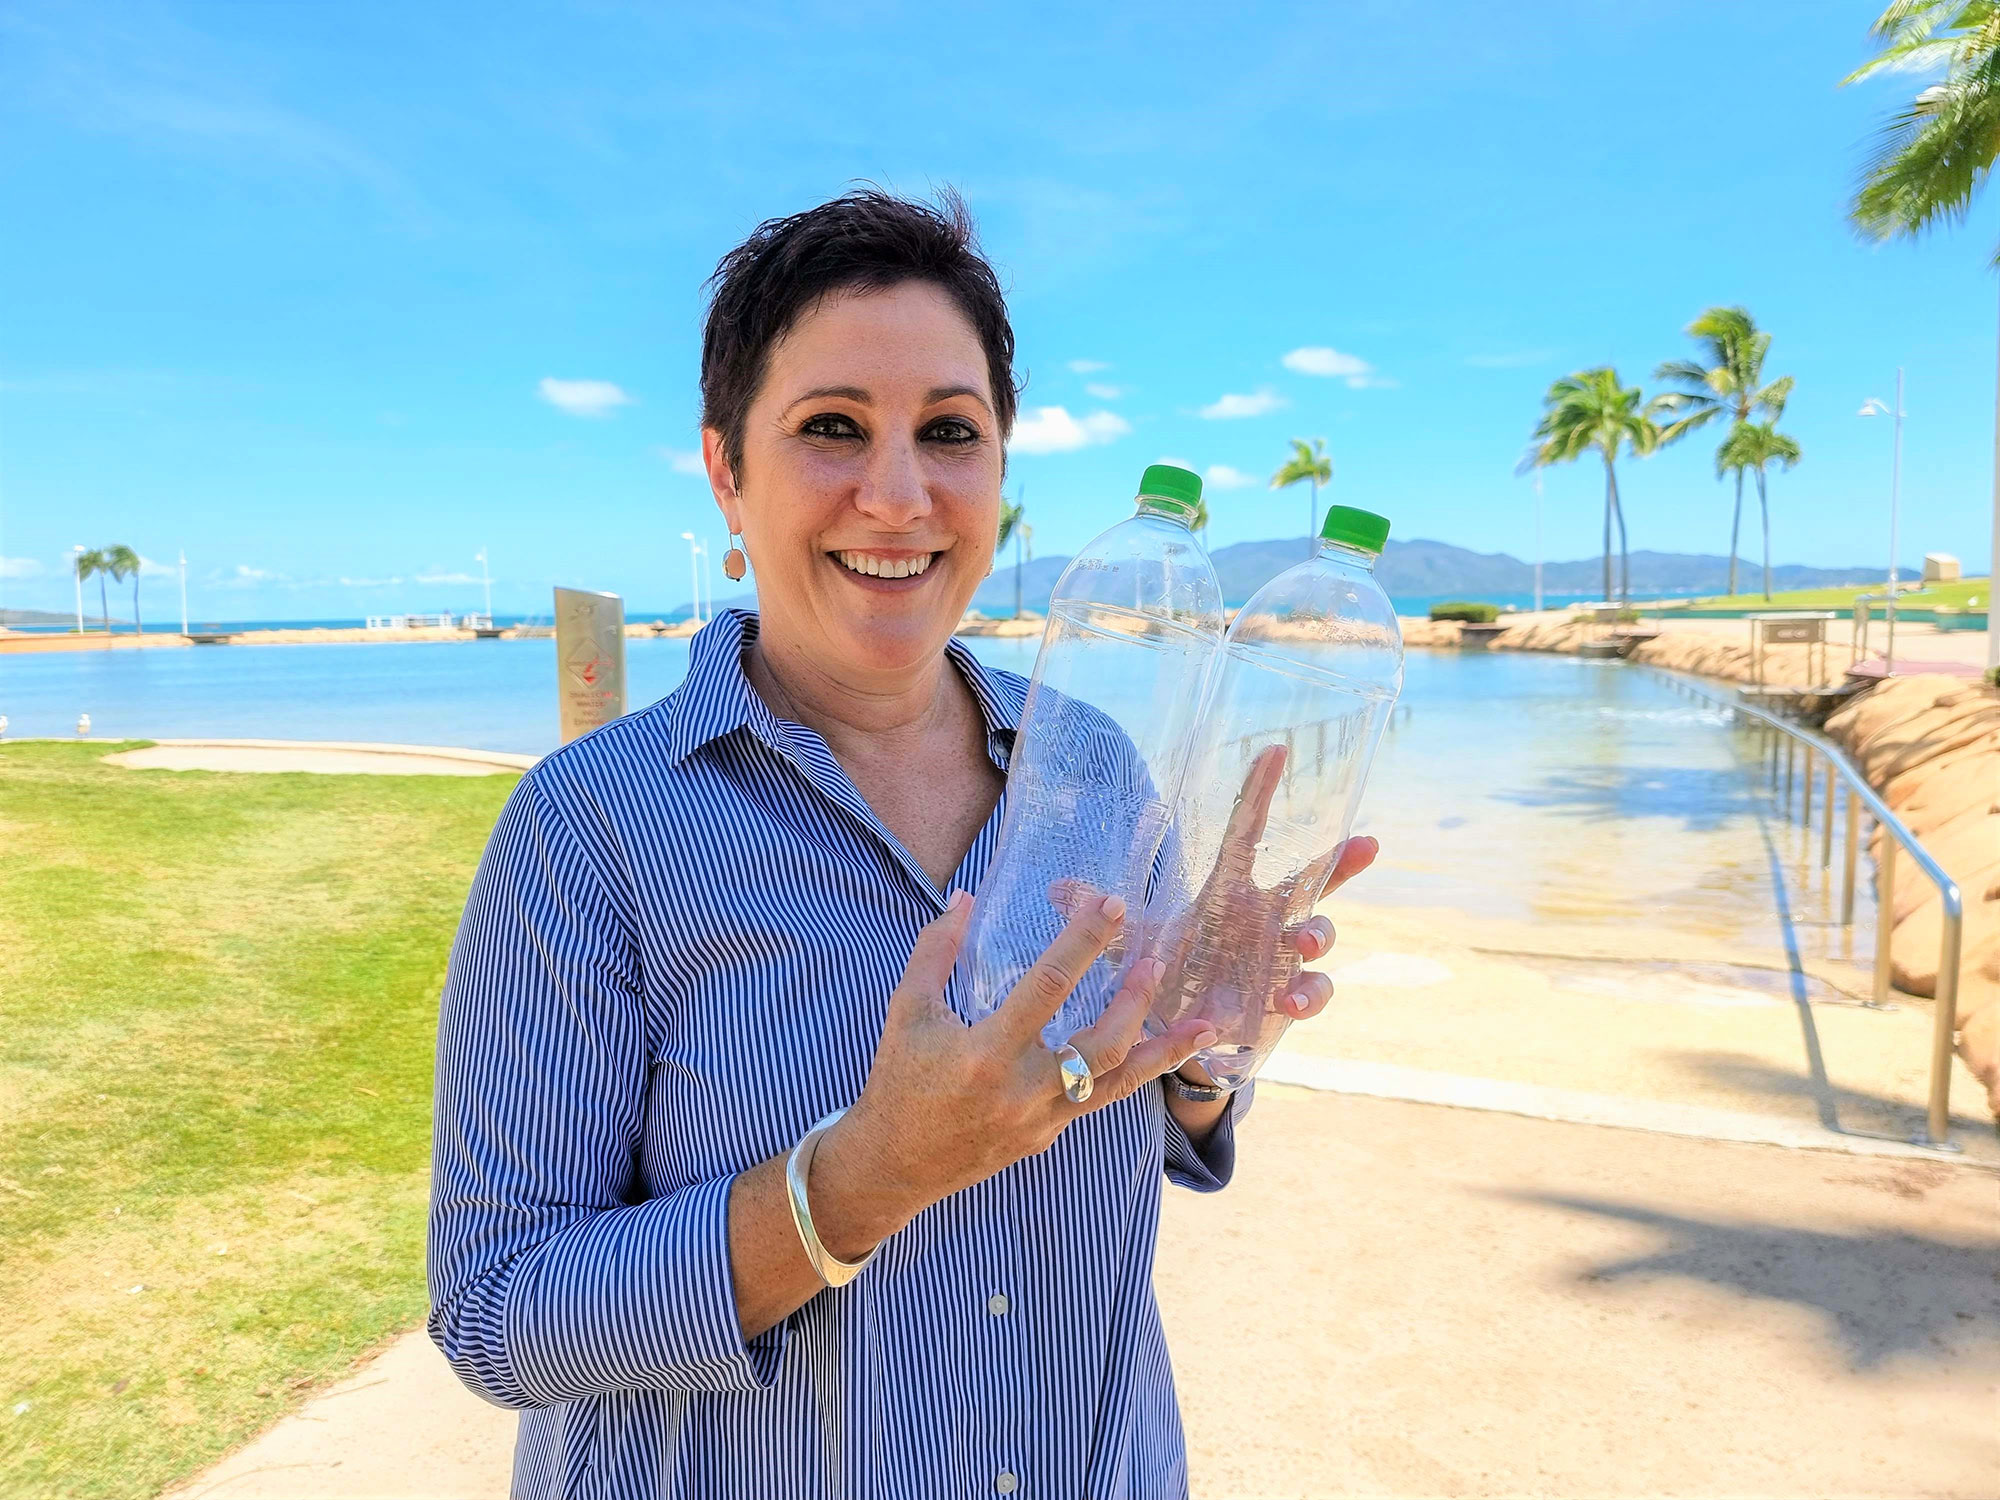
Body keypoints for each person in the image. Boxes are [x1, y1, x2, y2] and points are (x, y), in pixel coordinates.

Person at [427, 188, 1377, 1499]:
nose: (898, 493)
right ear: (726, 475)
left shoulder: (1097, 769)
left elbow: (1118, 1128)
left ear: (1000, 475)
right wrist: (855, 1185)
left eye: (948, 432)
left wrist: (1206, 1060)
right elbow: (496, 1310)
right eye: (831, 429)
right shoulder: (592, 828)